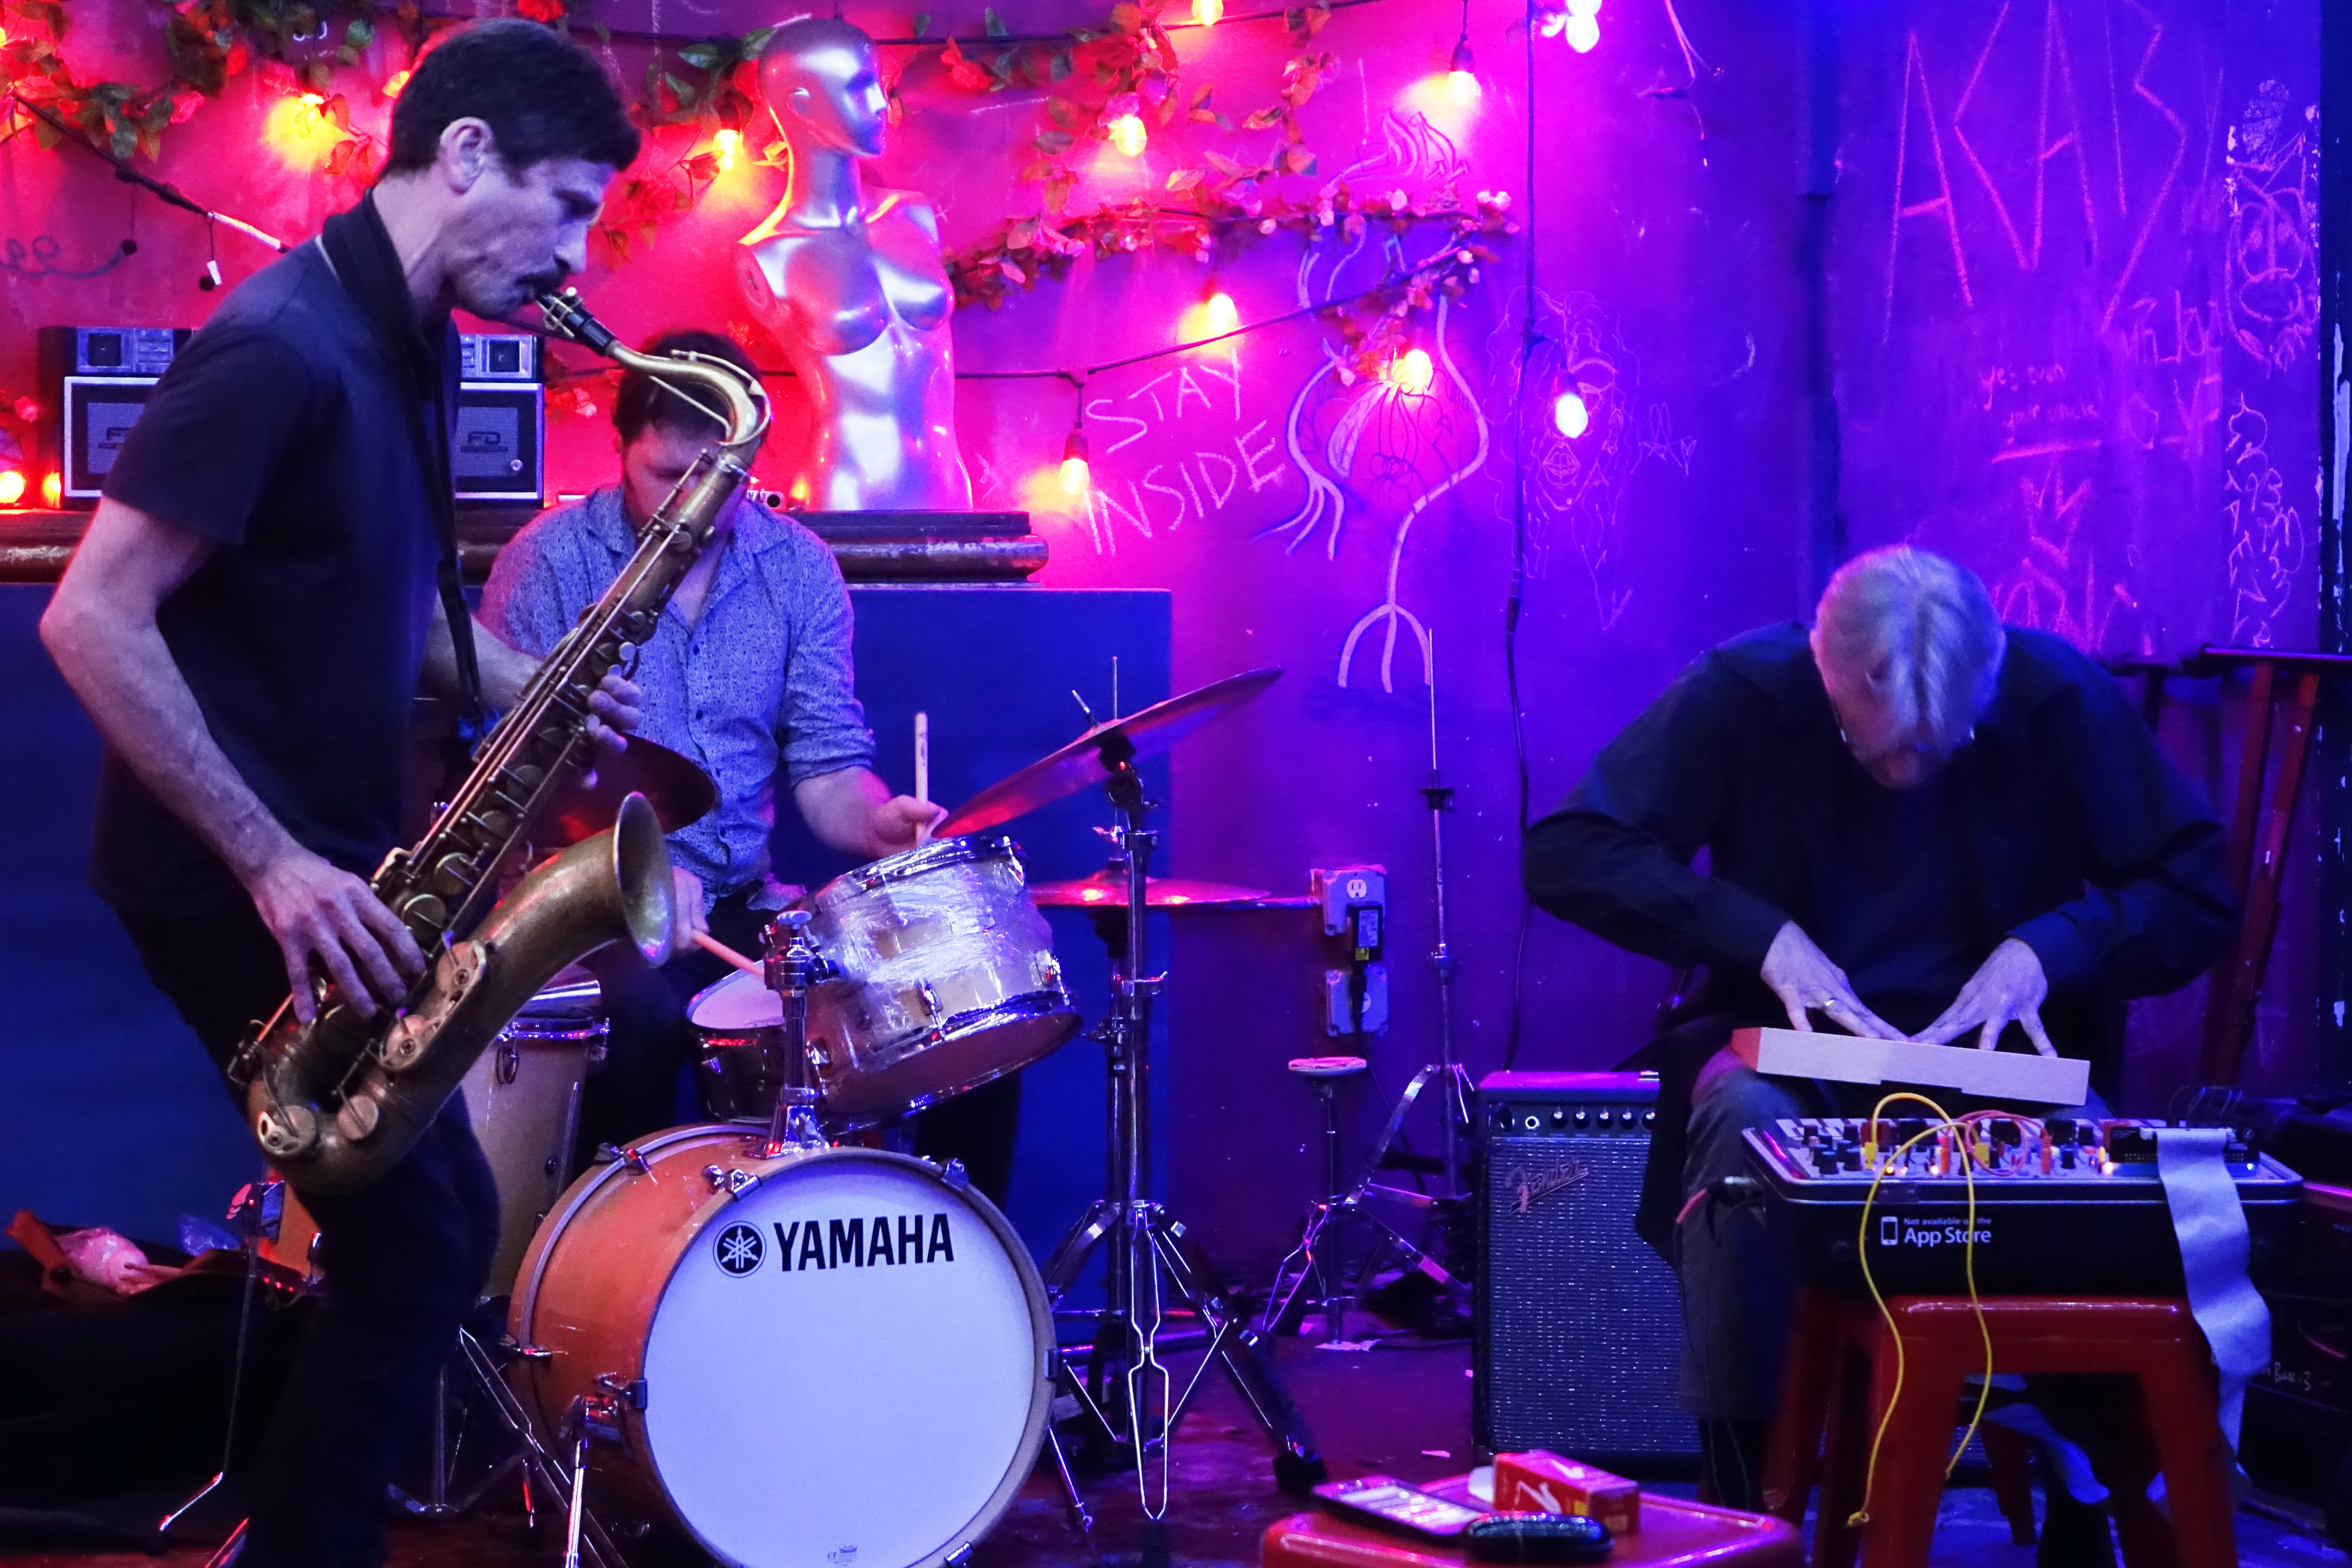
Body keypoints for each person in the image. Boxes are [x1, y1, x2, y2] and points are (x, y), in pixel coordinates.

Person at [40, 22, 642, 1565]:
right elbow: (90, 616)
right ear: (464, 159)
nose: (580, 249)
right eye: (569, 203)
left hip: (335, 858)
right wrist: (275, 865)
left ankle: (283, 1532)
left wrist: (520, 680)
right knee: (422, 1236)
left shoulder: (404, 336)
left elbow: (345, 598)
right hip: (234, 873)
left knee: (419, 1240)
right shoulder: (280, 345)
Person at [1521, 546, 2235, 1518]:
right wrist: (1758, 935)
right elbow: (1571, 852)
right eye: (1880, 750)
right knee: (1743, 1124)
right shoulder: (1745, 691)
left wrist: (2054, 947)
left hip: (2004, 1072)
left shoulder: (2061, 694)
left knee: (2098, 1179)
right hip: (1784, 1050)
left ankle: (2094, 1482)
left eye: (1942, 752)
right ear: (1826, 678)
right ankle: (1747, 1490)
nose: (1908, 772)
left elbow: (2195, 893)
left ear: (1991, 684)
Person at [479, 331, 1023, 1202]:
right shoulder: (549, 560)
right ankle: (601, 1292)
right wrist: (637, 878)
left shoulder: (797, 567)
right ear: (620, 450)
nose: (690, 507)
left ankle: (962, 1281)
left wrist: (880, 824)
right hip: (589, 911)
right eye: (666, 479)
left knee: (958, 1011)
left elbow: (828, 768)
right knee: (643, 1024)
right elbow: (507, 782)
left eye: (717, 482)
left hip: (745, 913)